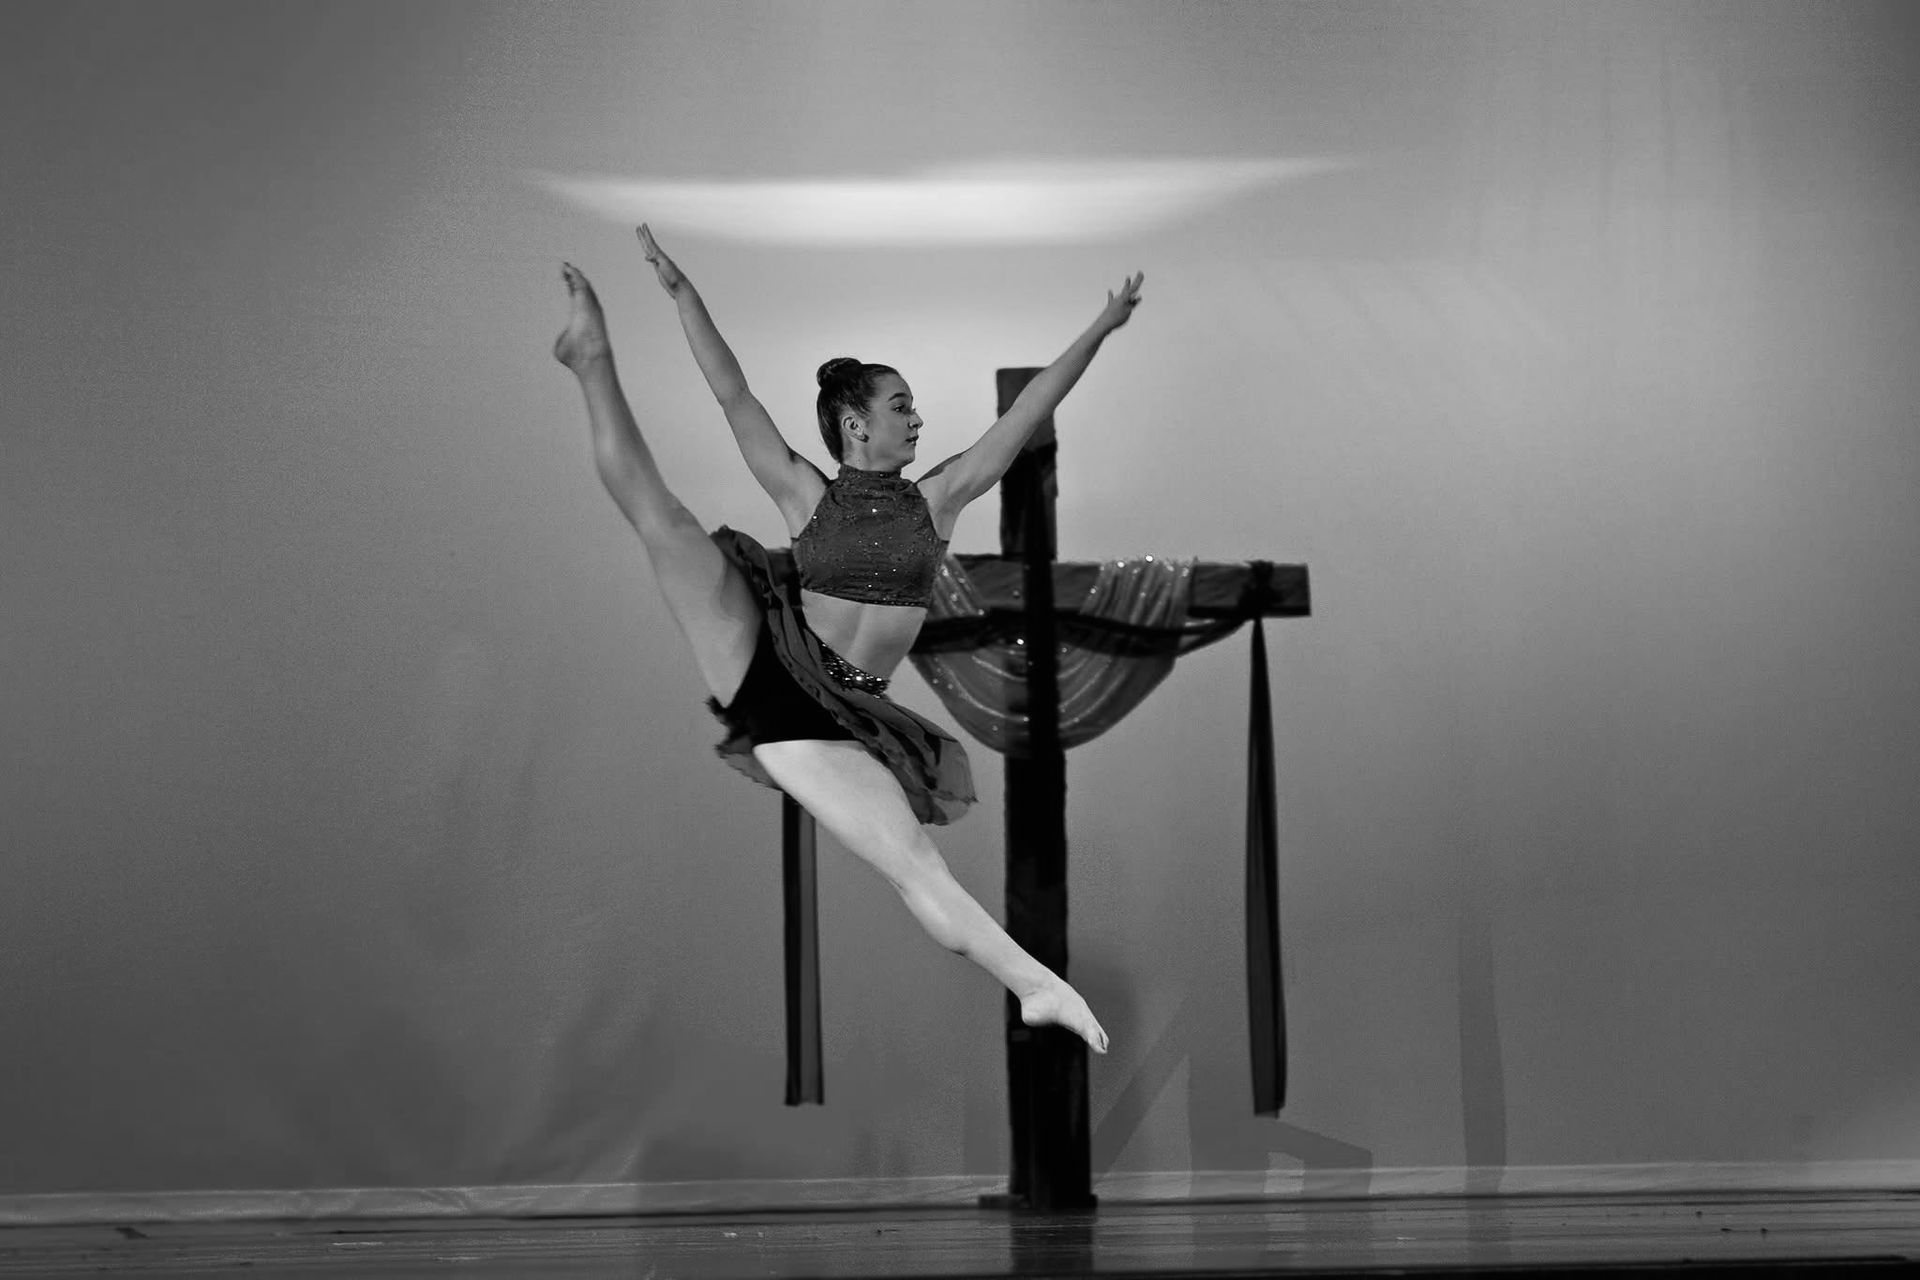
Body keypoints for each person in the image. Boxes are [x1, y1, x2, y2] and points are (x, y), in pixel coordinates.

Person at [553, 224, 1143, 1055]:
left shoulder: (940, 498)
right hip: (766, 662)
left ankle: (1039, 988)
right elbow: (732, 394)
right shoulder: (805, 493)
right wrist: (683, 296)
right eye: (902, 406)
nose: (918, 418)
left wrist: (1101, 327)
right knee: (663, 520)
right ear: (855, 424)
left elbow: (1029, 410)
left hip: (828, 726)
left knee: (917, 868)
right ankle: (592, 361)